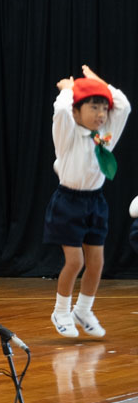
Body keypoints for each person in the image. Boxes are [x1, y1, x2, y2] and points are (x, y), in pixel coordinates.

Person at [46, 66, 130, 338]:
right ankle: (61, 310)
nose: (101, 114)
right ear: (76, 111)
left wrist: (98, 83)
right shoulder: (67, 136)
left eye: (104, 108)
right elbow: (60, 113)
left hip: (95, 203)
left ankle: (83, 309)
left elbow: (124, 106)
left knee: (97, 263)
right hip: (68, 203)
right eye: (94, 107)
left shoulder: (105, 137)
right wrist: (68, 91)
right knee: (75, 262)